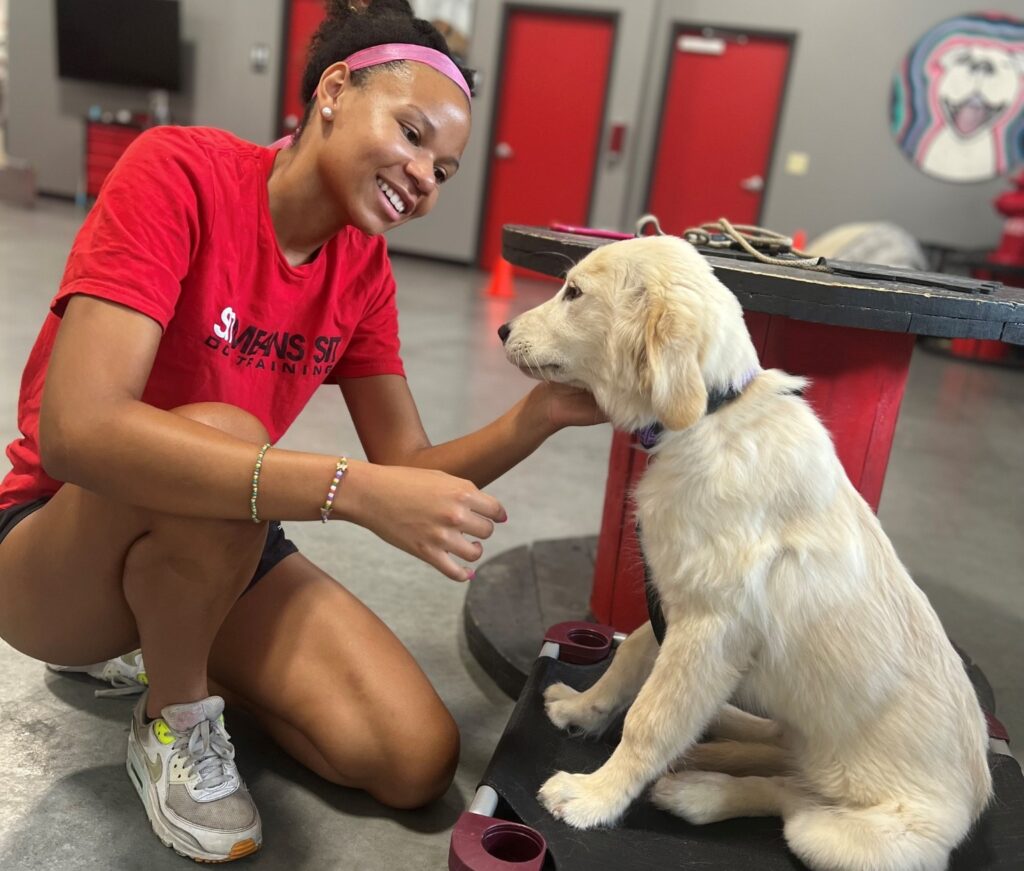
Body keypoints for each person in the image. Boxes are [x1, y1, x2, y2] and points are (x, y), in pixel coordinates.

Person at [0, 1, 602, 862]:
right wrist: (345, 491)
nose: (426, 174)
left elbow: (414, 467)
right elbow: (78, 429)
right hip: (53, 545)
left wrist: (542, 413)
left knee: (411, 756)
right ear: (332, 92)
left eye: (447, 166)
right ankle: (173, 721)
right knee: (226, 431)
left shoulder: (362, 270)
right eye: (412, 131)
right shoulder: (180, 172)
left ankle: (175, 637)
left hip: (220, 534)